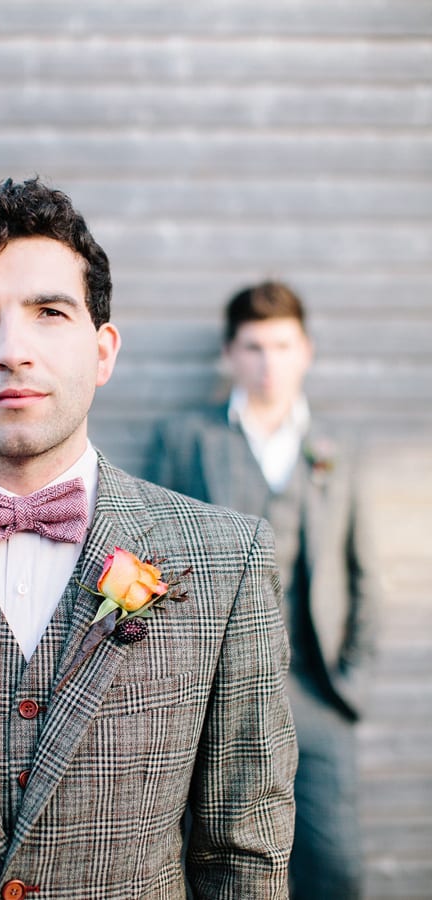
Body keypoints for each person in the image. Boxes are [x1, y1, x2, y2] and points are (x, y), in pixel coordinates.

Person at [0, 180, 297, 900]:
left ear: (103, 351)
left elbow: (243, 856)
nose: (13, 350)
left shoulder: (228, 561)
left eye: (49, 312)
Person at [148, 281, 379, 900]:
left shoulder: (337, 449)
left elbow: (360, 573)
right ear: (229, 355)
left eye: (282, 345)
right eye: (253, 347)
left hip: (317, 694)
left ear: (305, 350)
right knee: (226, 865)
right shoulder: (186, 442)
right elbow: (155, 566)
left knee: (336, 869)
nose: (268, 363)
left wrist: (350, 682)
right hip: (215, 694)